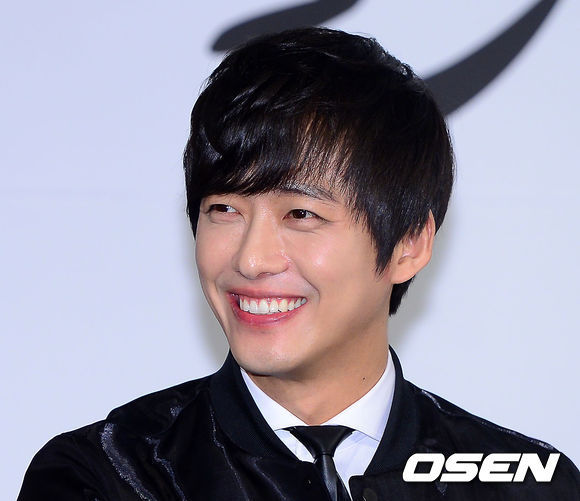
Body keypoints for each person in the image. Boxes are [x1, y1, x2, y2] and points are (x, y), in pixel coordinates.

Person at [18, 27, 578, 501]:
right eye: (224, 210)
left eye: (301, 215)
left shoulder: (529, 486)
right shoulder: (108, 475)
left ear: (409, 244)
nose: (251, 258)